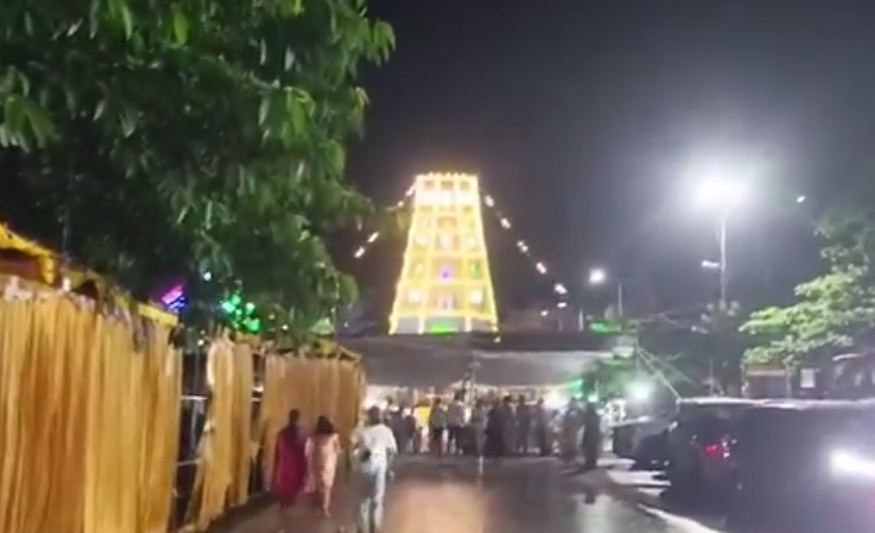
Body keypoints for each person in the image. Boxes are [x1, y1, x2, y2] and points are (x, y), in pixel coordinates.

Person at [353, 406, 398, 533]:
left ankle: (362, 529)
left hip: (363, 468)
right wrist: (389, 469)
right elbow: (391, 452)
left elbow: (353, 449)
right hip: (379, 468)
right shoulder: (385, 431)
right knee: (377, 500)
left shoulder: (360, 431)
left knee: (363, 501)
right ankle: (375, 528)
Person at [271, 409, 308, 532]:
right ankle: (286, 519)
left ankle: (283, 517)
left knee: (286, 486)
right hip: (295, 463)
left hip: (287, 463)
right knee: (292, 488)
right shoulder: (300, 433)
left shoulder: (283, 433)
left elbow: (278, 449)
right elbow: (303, 451)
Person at [309, 415, 341, 516]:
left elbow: (311, 447)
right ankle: (325, 507)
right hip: (329, 462)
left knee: (318, 484)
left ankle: (317, 503)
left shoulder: (315, 435)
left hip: (317, 460)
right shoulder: (334, 436)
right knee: (327, 486)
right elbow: (338, 449)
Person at [582, 402, 602, 470]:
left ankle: (589, 462)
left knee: (588, 449)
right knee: (593, 449)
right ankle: (593, 463)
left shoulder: (586, 416)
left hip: (589, 434)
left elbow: (583, 423)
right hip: (595, 434)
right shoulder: (597, 416)